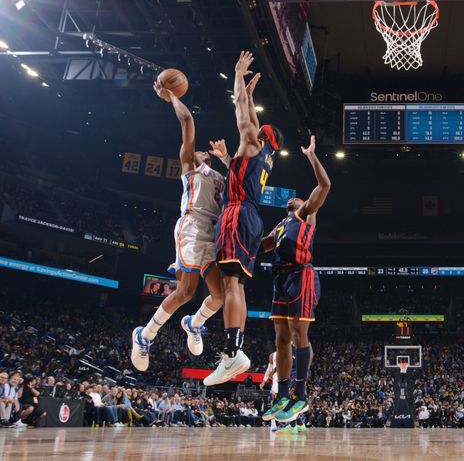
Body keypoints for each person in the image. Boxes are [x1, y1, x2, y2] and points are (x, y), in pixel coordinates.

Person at [131, 82, 228, 371]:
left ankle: (194, 323)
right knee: (186, 291)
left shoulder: (221, 177)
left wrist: (226, 157)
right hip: (192, 226)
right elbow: (187, 120)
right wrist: (173, 96)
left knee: (220, 296)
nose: (204, 155)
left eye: (207, 156)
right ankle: (145, 334)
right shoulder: (190, 168)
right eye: (202, 154)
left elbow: (243, 179)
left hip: (213, 232)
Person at [204, 51, 284, 385]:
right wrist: (249, 95)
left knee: (230, 283)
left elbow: (241, 111)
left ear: (261, 134)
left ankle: (233, 353)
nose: (252, 124)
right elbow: (247, 111)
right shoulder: (262, 155)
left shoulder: (252, 142)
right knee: (235, 284)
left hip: (237, 217)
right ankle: (234, 348)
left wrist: (238, 75)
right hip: (249, 217)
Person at [260, 134, 330, 424]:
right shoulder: (280, 227)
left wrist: (312, 156)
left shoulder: (304, 215)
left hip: (301, 275)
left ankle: (301, 395)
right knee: (281, 339)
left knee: (300, 335)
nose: (294, 198)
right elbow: (256, 245)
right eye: (292, 199)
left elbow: (325, 185)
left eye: (299, 198)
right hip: (279, 277)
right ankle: (283, 396)